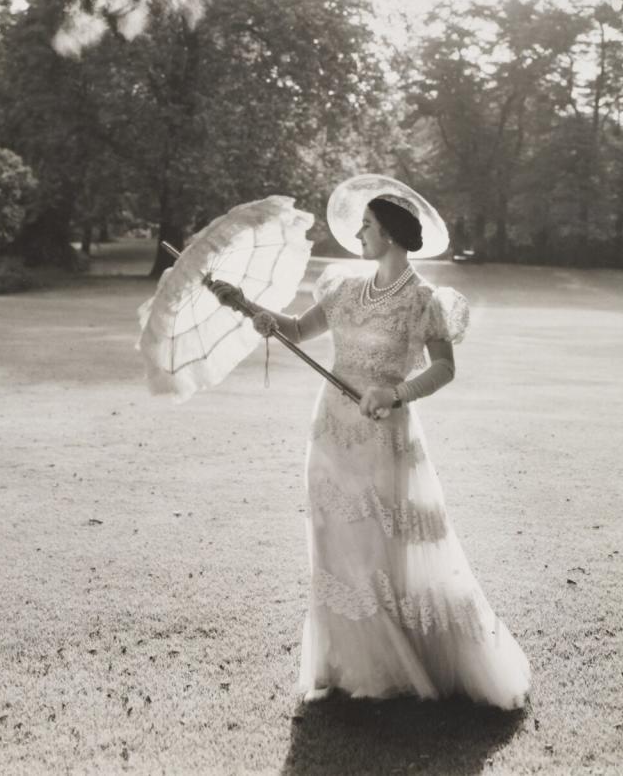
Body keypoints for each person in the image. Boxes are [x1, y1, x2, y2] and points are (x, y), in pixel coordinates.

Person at [211, 176, 530, 709]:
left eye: (367, 226)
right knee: (334, 543)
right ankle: (344, 666)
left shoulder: (423, 302)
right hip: (330, 432)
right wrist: (246, 306)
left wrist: (396, 392)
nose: (358, 233)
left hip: (384, 435)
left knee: (379, 548)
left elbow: (446, 369)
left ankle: (391, 664)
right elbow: (293, 327)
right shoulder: (342, 289)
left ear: (390, 236)